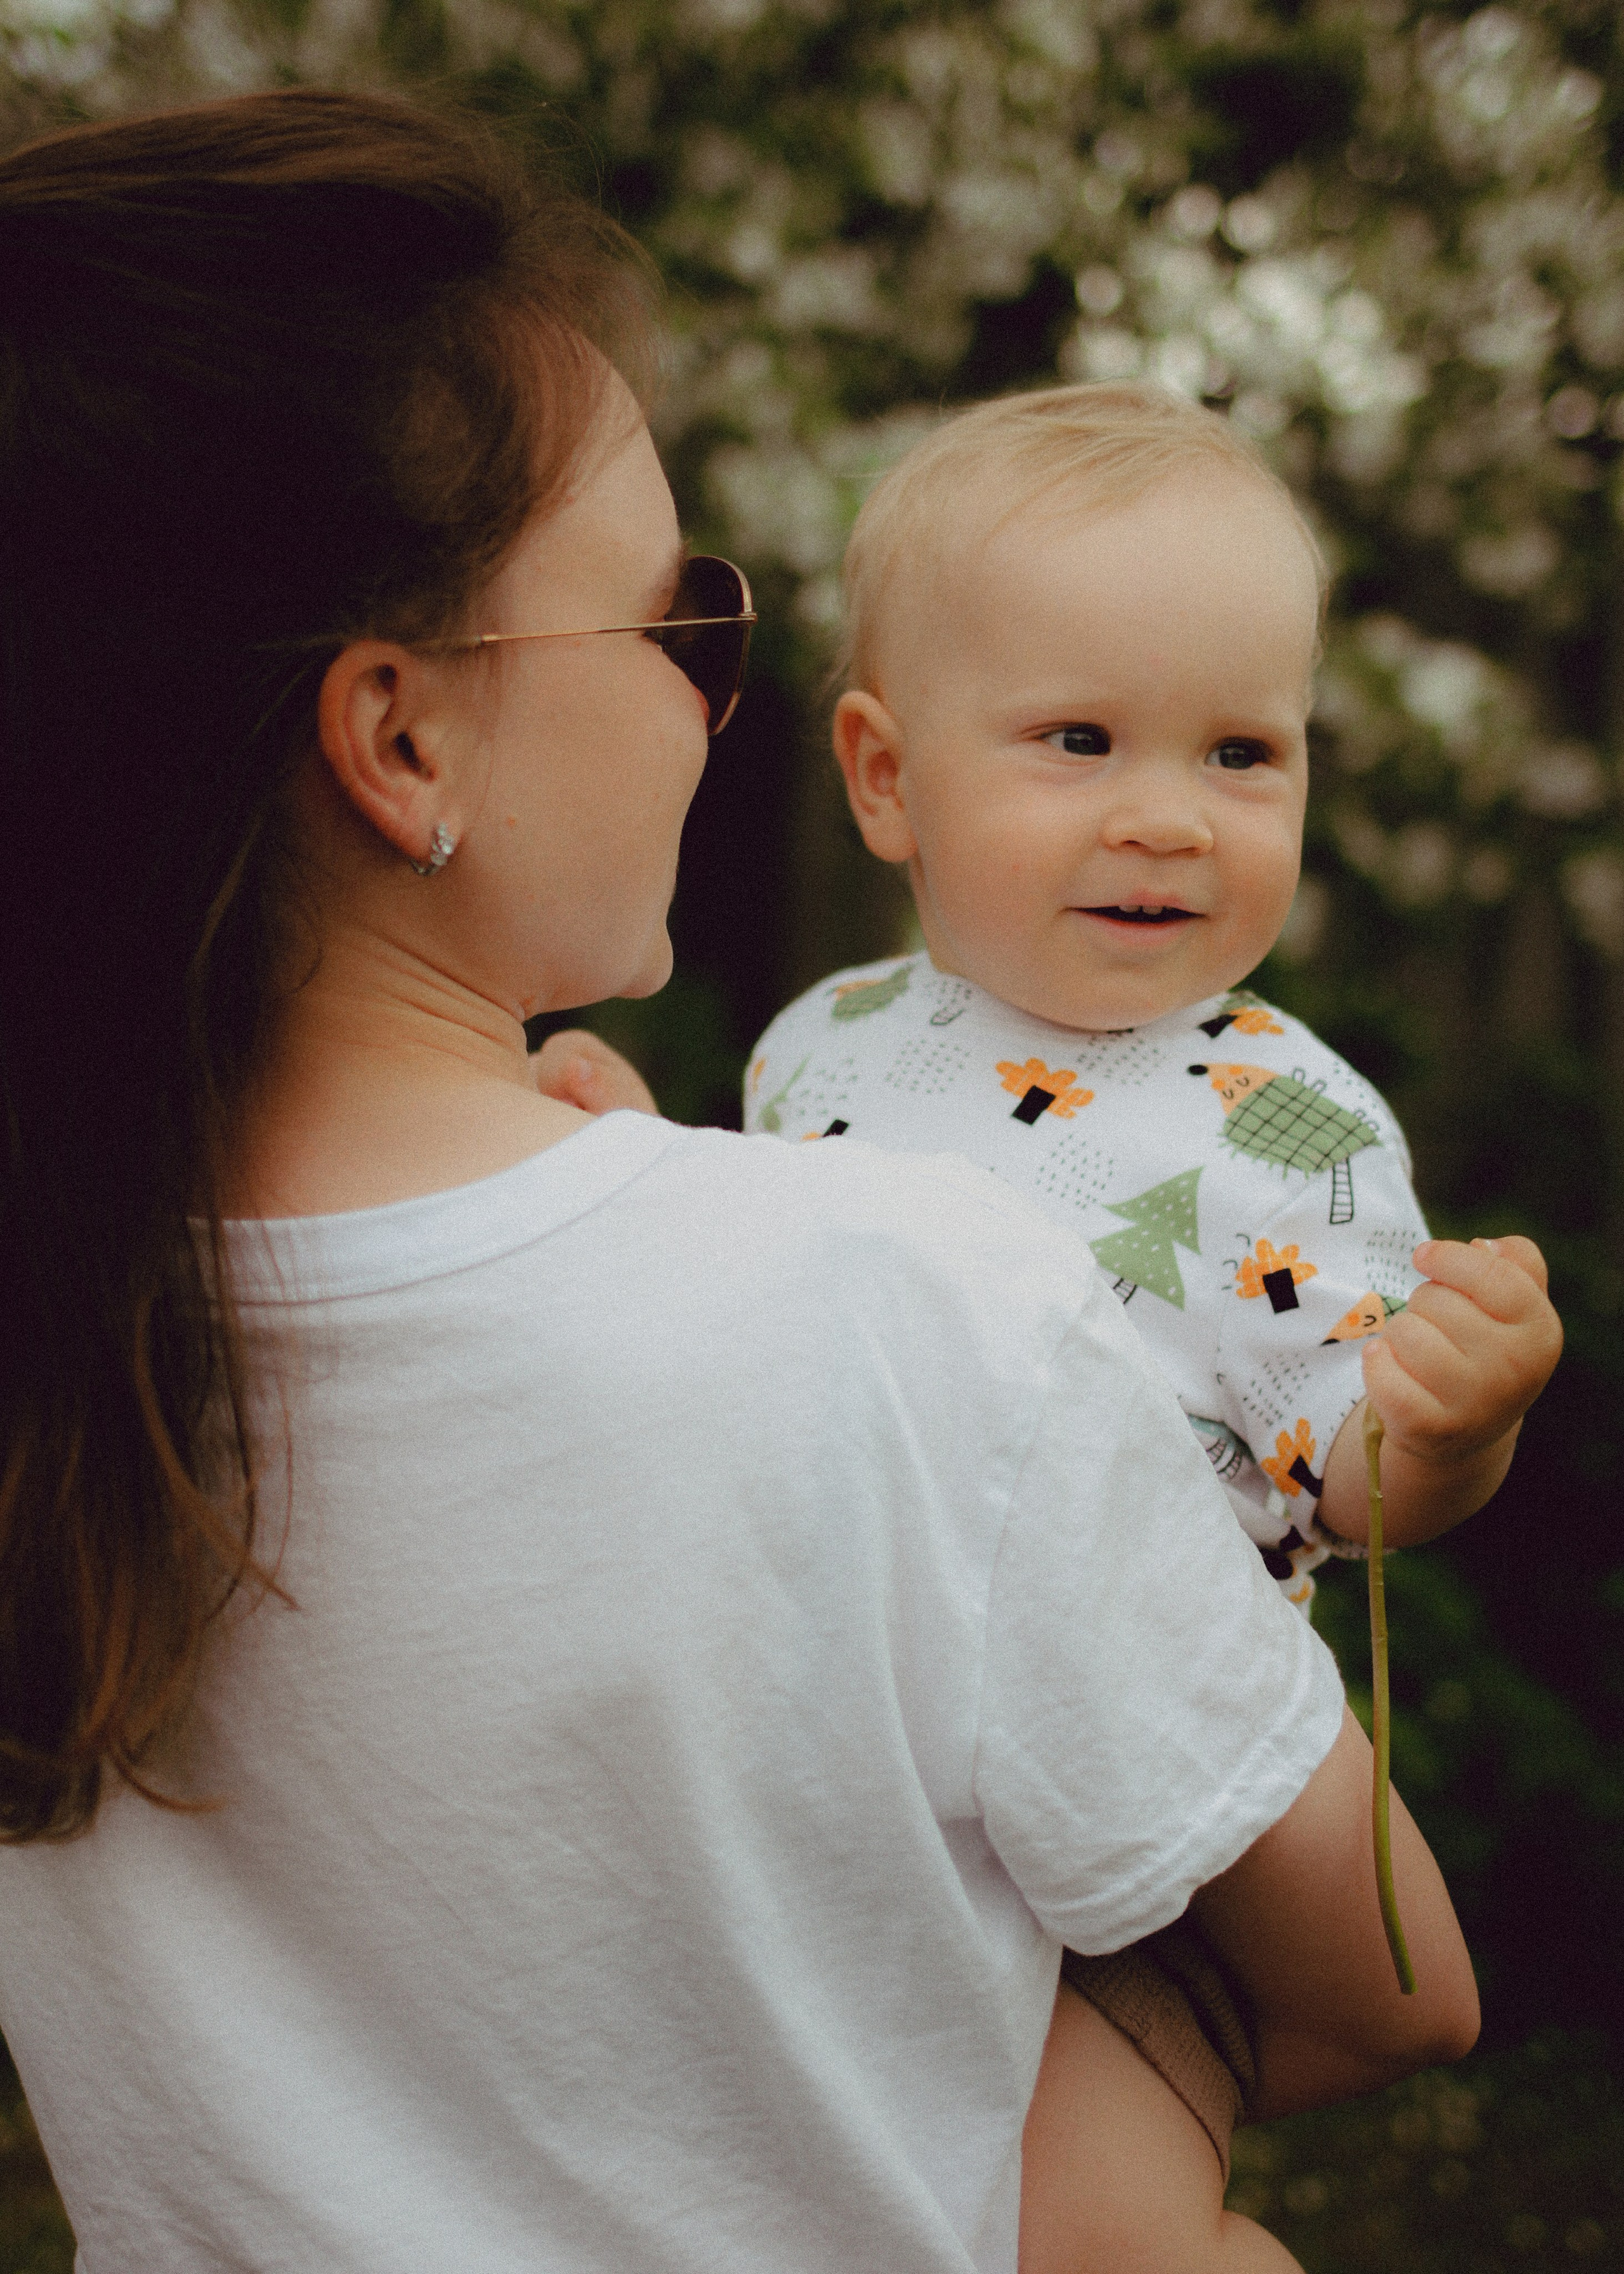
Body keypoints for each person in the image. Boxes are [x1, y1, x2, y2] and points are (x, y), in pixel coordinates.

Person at [0, 98, 1477, 2274]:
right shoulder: (904, 1302)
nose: (718, 701)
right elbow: (1389, 1979)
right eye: (667, 615)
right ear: (405, 741)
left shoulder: (55, 1328)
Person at [743, 383, 1560, 2268]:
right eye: (1081, 738)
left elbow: (1341, 1470)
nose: (1167, 818)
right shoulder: (826, 1050)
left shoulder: (1290, 1116)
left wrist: (1450, 1424)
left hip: (1135, 1789)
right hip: (859, 1761)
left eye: (1242, 754)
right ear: (886, 777)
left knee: (1097, 2236)